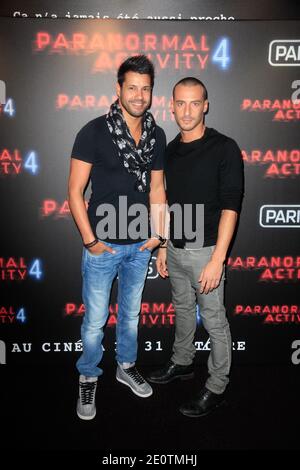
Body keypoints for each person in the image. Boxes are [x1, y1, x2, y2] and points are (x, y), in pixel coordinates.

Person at [68, 55, 167, 420]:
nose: (139, 96)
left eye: (146, 88)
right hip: (103, 247)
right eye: (132, 88)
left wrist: (160, 236)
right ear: (119, 89)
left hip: (140, 246)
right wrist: (92, 241)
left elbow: (157, 189)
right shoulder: (93, 131)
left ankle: (125, 366)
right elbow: (75, 191)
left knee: (129, 316)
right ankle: (88, 375)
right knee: (95, 320)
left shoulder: (157, 134)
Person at [148, 77, 244, 418]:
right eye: (180, 103)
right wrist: (162, 247)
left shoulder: (224, 147)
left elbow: (232, 205)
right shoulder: (169, 151)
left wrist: (218, 258)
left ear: (206, 105)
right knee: (183, 310)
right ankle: (183, 362)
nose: (187, 111)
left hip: (206, 252)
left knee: (215, 322)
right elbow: (170, 202)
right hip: (174, 248)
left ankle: (217, 385)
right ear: (171, 106)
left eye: (194, 103)